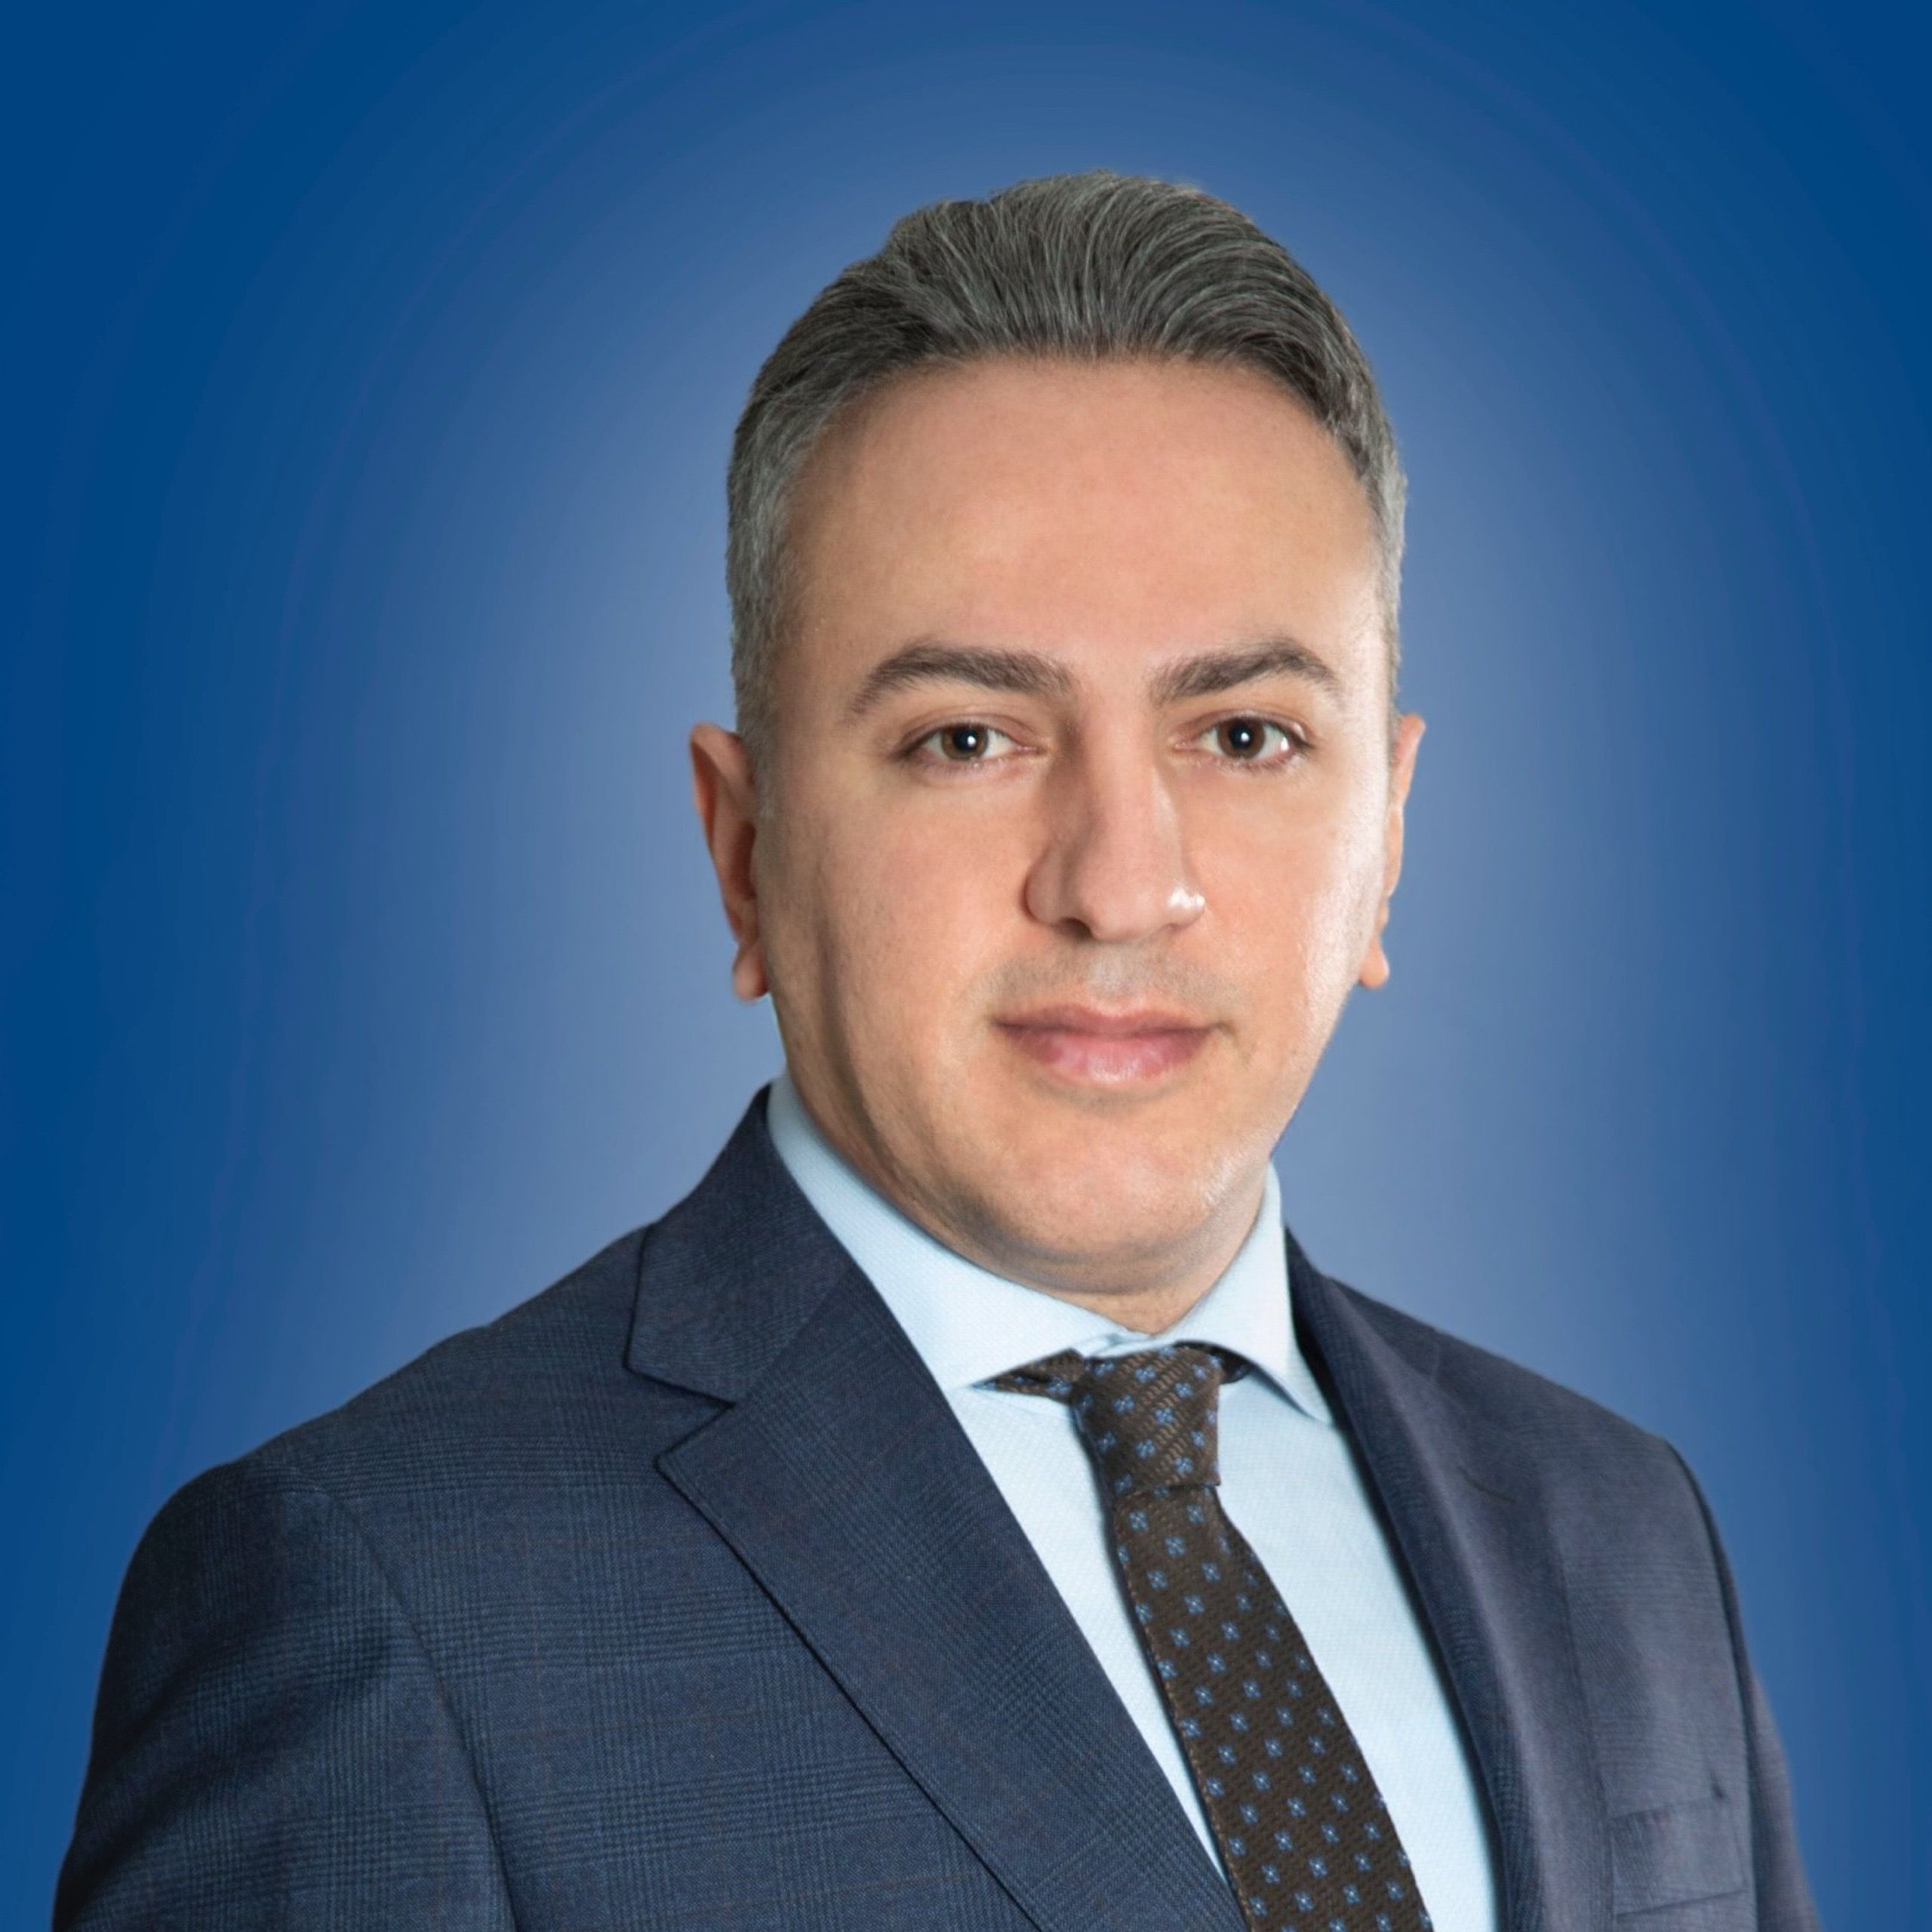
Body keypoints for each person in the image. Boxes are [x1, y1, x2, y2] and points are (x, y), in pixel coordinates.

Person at [55, 171, 1817, 1932]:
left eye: (1243, 734)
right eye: (966, 736)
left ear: (1389, 830)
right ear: (743, 847)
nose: (1118, 883)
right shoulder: (388, 1596)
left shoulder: (1617, 1524)